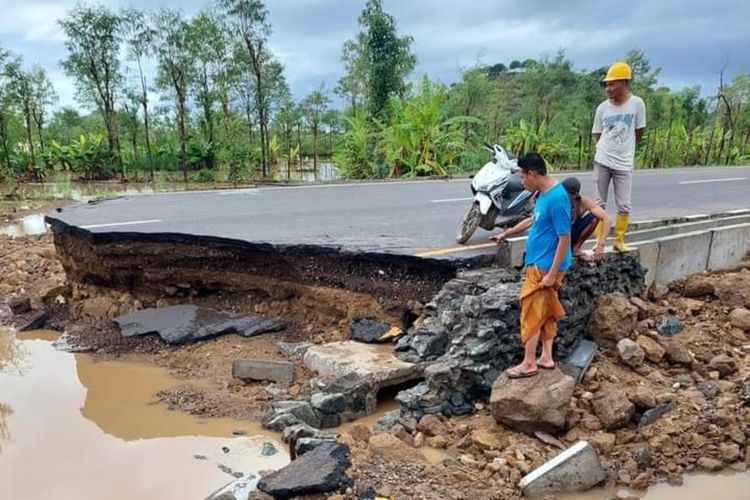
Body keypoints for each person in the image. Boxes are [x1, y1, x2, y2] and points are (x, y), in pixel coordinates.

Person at [493, 152, 571, 379]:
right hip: (542, 262)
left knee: (531, 311)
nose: (522, 181)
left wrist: (552, 273)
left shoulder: (557, 198)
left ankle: (528, 363)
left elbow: (565, 237)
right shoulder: (544, 195)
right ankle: (546, 356)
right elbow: (535, 220)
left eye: (523, 176)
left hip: (545, 266)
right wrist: (507, 232)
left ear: (533, 173)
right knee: (546, 312)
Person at [490, 177, 612, 262]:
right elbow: (532, 220)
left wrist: (600, 245)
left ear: (574, 195)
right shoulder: (555, 201)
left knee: (594, 218)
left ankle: (575, 249)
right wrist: (506, 233)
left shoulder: (582, 202)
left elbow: (607, 219)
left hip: (569, 234)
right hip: (556, 238)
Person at [592, 61, 646, 252]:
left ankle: (619, 240)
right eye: (607, 84)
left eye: (612, 84)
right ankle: (600, 241)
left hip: (624, 161)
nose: (608, 88)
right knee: (599, 203)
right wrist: (606, 149)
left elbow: (639, 131)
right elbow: (598, 134)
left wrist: (624, 147)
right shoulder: (602, 108)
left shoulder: (637, 104)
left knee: (624, 204)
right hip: (603, 159)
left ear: (624, 82)